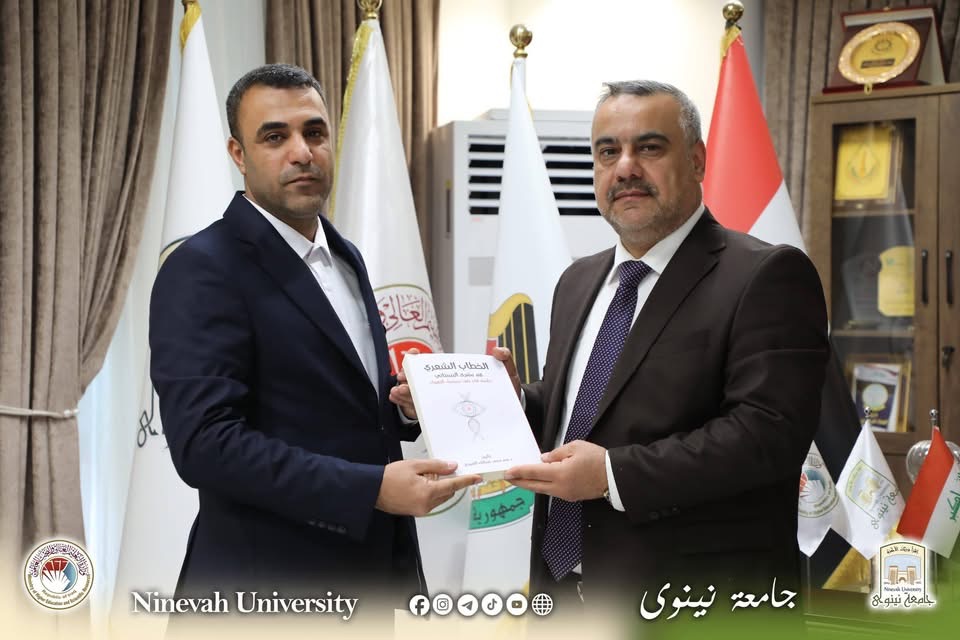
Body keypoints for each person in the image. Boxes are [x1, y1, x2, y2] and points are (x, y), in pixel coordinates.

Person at [397, 80, 829, 618]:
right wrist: (509, 400)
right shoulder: (578, 281)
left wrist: (612, 475)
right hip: (564, 595)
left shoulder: (765, 275)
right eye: (607, 151)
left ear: (697, 160)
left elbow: (768, 436)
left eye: (649, 147)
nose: (625, 168)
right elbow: (583, 412)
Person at [149, 64, 480, 608]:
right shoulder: (203, 267)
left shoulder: (345, 255)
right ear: (238, 155)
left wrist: (404, 406)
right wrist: (371, 489)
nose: (302, 152)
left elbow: (338, 401)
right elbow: (204, 445)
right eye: (275, 137)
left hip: (370, 579)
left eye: (315, 132)